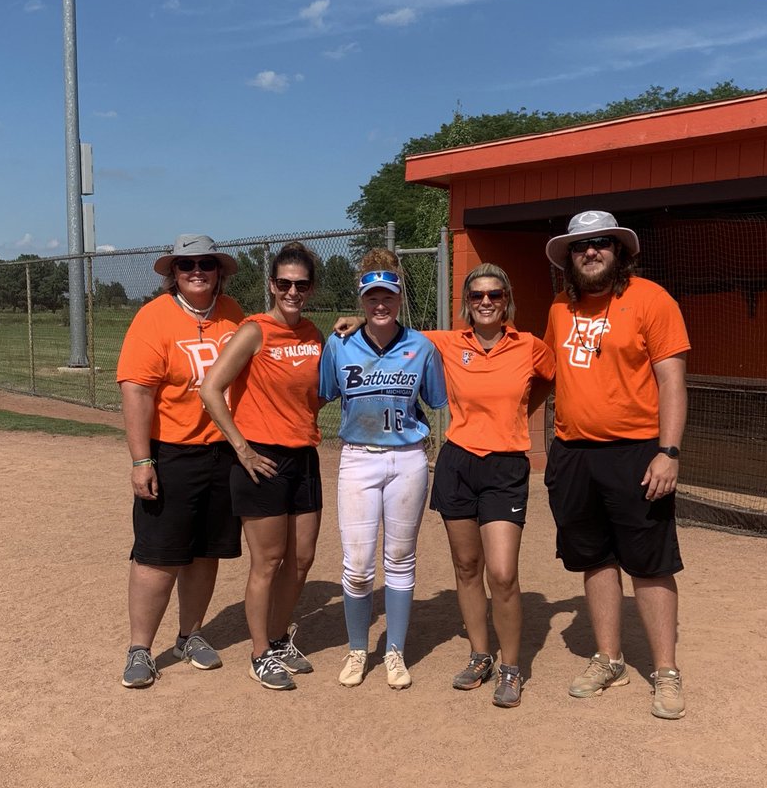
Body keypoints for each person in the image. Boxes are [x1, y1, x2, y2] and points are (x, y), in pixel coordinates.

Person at [336, 262, 554, 709]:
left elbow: (548, 382)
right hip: (457, 461)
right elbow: (390, 325)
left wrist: (515, 414)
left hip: (506, 466)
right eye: (477, 296)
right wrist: (362, 317)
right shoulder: (448, 343)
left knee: (503, 572)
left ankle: (511, 667)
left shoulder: (530, 346)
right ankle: (480, 655)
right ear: (466, 304)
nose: (487, 302)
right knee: (467, 567)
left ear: (507, 299)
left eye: (495, 294)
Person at [543, 210, 690, 720]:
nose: (591, 252)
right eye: (581, 246)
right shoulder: (560, 306)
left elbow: (672, 380)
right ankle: (609, 658)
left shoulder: (651, 299)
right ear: (569, 258)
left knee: (650, 562)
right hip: (574, 453)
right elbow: (545, 371)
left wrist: (668, 452)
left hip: (636, 452)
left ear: (619, 250)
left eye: (601, 243)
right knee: (594, 558)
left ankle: (666, 671)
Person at [116, 233, 244, 689]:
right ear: (173, 272)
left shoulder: (234, 316)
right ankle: (140, 648)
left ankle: (189, 635)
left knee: (205, 551)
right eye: (186, 264)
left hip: (223, 452)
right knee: (157, 554)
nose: (196, 271)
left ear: (219, 272)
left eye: (206, 264)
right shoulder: (154, 318)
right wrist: (141, 460)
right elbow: (136, 389)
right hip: (170, 452)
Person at [319, 249, 447, 690]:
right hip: (357, 457)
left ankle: (394, 651)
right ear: (361, 299)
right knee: (356, 565)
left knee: (400, 559)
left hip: (408, 459)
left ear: (398, 297)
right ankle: (358, 648)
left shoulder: (421, 346)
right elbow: (321, 393)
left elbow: (437, 399)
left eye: (387, 296)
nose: (380, 304)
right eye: (372, 296)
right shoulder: (339, 343)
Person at [200, 242, 323, 692]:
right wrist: (242, 448)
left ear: (311, 288)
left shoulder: (313, 333)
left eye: (302, 284)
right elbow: (211, 389)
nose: (293, 291)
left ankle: (277, 637)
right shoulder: (255, 330)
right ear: (272, 285)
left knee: (302, 558)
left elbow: (316, 392)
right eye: (285, 283)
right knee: (268, 561)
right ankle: (259, 654)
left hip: (303, 455)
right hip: (262, 458)